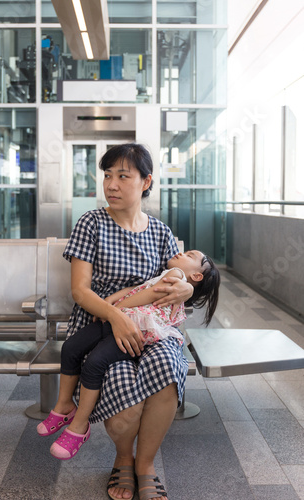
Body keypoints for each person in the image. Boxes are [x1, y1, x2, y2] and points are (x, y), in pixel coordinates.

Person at [40, 143, 211, 500]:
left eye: (123, 176)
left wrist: (184, 292)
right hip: (99, 324)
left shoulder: (161, 233)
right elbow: (80, 291)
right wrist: (117, 317)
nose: (111, 185)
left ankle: (145, 464)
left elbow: (181, 281)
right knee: (122, 394)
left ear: (146, 181)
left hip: (150, 329)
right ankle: (123, 459)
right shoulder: (92, 223)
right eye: (107, 175)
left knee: (166, 367)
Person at [37, 250, 220, 464]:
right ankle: (64, 405)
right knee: (70, 347)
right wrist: (109, 304)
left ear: (196, 276)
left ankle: (79, 425)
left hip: (135, 330)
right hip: (118, 319)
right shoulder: (170, 273)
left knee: (96, 362)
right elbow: (140, 288)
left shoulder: (177, 275)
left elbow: (153, 293)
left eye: (190, 255)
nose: (180, 252)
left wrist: (117, 307)